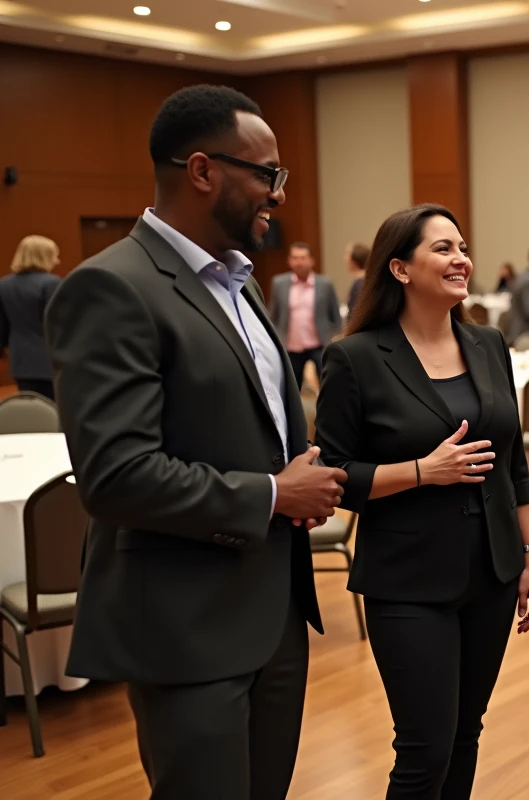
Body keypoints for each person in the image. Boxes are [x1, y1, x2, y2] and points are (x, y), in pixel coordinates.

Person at [43, 84, 346, 799]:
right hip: (185, 626)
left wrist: (293, 477)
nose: (278, 193)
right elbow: (116, 475)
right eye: (266, 174)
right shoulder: (111, 288)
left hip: (271, 614)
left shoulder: (240, 287)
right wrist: (275, 493)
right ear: (203, 170)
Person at [316, 204, 529, 799]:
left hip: (492, 572)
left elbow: (513, 461)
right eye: (442, 249)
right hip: (408, 580)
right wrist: (422, 471)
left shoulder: (488, 343)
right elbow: (334, 475)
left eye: (462, 247)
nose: (461, 259)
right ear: (399, 268)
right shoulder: (357, 358)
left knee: (466, 735)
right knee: (425, 749)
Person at [268, 242, 343, 386]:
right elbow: (273, 315)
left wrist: (334, 339)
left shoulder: (325, 283)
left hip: (320, 345)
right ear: (289, 261)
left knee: (328, 386)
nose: (299, 262)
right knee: (292, 388)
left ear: (311, 260)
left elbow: (335, 315)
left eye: (303, 258)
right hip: (291, 347)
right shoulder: (279, 283)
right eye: (295, 258)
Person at [0, 235, 62, 399]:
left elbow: (2, 327)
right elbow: (58, 323)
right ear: (43, 256)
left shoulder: (4, 285)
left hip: (19, 361)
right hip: (49, 361)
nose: (57, 261)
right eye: (54, 255)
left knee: (32, 411)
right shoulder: (51, 283)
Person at [346, 240, 369, 318]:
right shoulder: (367, 280)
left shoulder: (360, 284)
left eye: (347, 255)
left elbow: (355, 313)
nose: (345, 259)